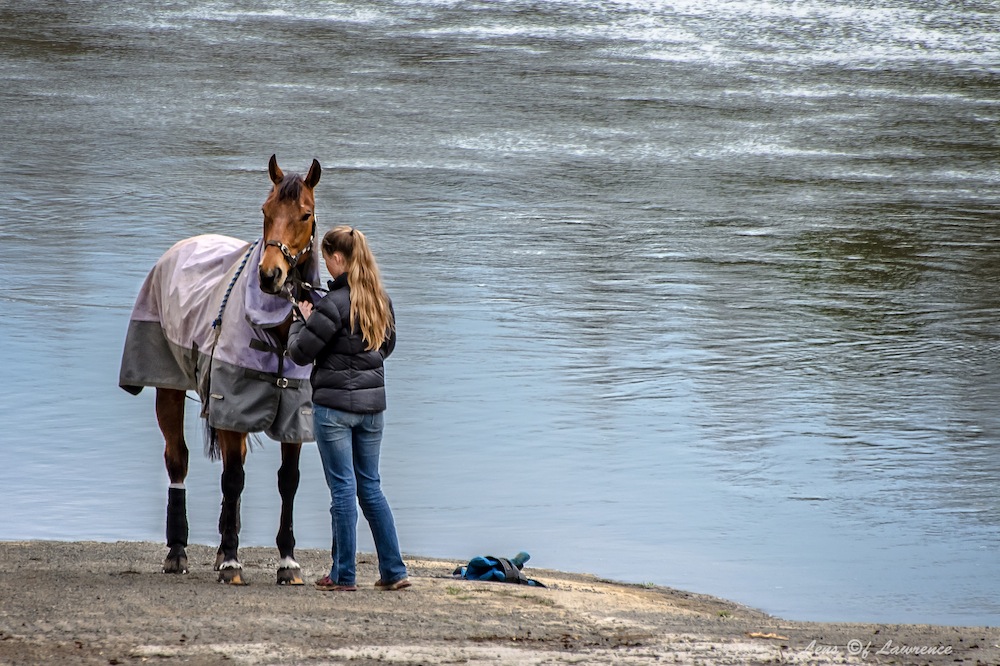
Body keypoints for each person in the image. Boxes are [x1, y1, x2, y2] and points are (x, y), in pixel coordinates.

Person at [288, 225, 410, 592]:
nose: (325, 266)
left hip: (334, 410)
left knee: (342, 490)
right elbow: (385, 348)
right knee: (370, 488)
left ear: (338, 259)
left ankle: (343, 574)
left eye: (327, 259)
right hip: (373, 410)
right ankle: (394, 571)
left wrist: (299, 322)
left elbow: (300, 353)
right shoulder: (380, 299)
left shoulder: (332, 305)